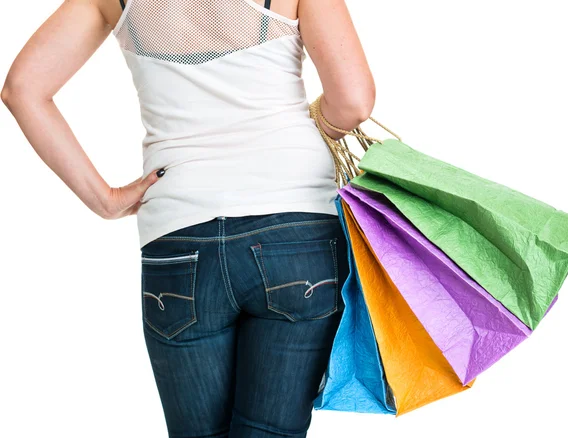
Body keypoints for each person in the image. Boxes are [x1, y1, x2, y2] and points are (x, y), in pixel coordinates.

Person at [1, 0, 375, 436]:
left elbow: (21, 88)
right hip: (294, 230)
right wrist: (313, 129)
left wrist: (105, 200)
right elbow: (353, 102)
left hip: (179, 235)